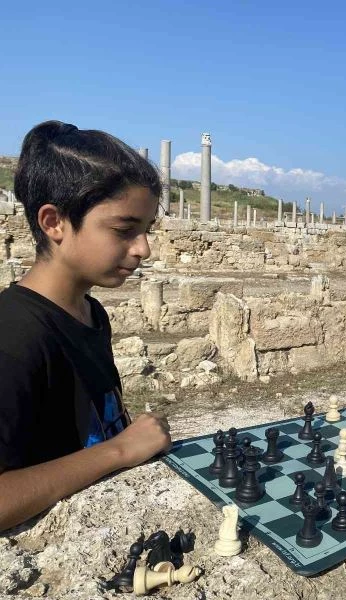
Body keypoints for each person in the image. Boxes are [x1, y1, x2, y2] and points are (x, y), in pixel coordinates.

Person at [0, 121, 172, 532]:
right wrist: (119, 450)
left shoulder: (91, 313)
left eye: (146, 230)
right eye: (124, 230)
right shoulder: (14, 335)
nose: (143, 249)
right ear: (54, 222)